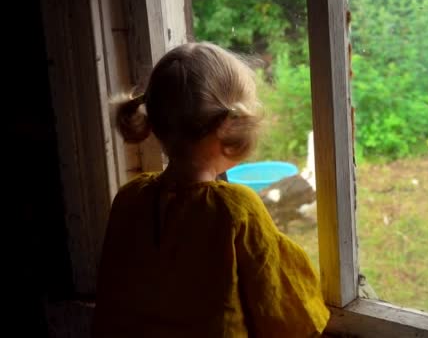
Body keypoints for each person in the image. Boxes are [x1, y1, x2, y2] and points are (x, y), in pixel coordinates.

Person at [91, 42, 330, 337]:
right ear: (229, 125)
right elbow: (284, 310)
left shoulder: (129, 198)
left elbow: (112, 300)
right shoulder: (235, 208)